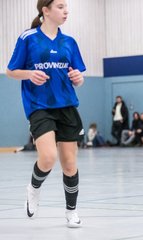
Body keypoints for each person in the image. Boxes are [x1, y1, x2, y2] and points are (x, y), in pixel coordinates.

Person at [6, 0, 85, 228]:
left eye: (66, 6)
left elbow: (77, 75)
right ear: (46, 10)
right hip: (39, 106)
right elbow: (11, 71)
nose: (66, 10)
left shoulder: (69, 42)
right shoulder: (28, 38)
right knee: (48, 157)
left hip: (67, 106)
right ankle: (33, 188)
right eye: (60, 6)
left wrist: (79, 79)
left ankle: (72, 211)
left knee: (69, 164)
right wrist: (30, 74)